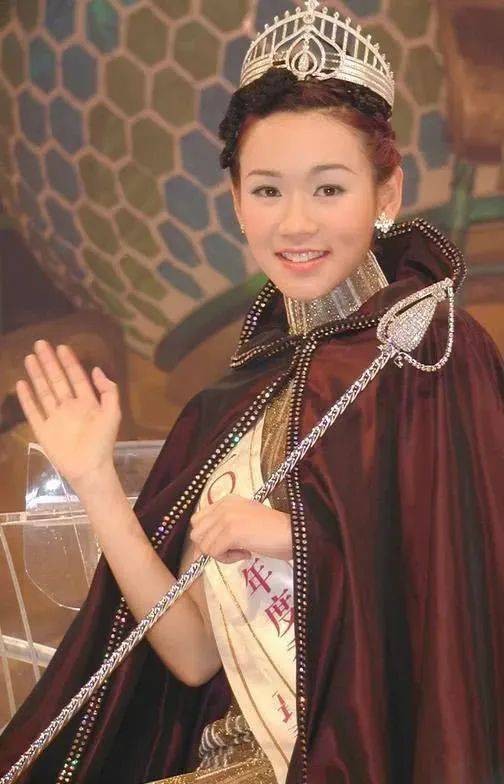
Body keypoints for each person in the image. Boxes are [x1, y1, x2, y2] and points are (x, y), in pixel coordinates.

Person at [1, 3, 503, 783]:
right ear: (236, 203)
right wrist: (95, 480)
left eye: (329, 189)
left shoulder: (433, 353)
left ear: (388, 193)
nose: (295, 223)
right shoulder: (231, 405)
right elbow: (194, 655)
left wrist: (293, 536)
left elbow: (458, 600)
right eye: (267, 191)